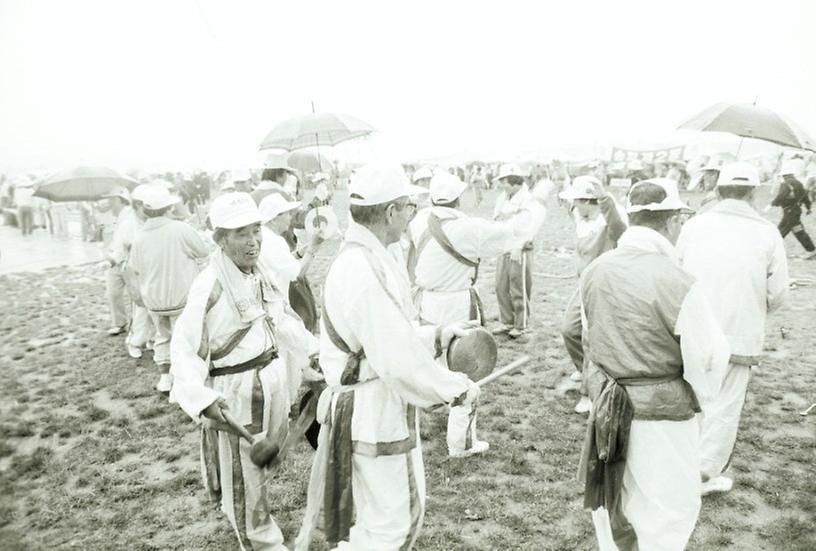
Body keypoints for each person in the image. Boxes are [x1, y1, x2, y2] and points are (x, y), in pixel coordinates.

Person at [295, 163, 480, 551]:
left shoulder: (370, 255)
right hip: (373, 410)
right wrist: (451, 388)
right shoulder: (363, 267)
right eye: (409, 206)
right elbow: (395, 359)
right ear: (390, 212)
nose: (413, 213)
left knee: (377, 522)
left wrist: (437, 335)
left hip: (365, 403)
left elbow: (386, 336)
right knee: (393, 526)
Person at [579, 178, 729, 551]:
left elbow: (587, 337)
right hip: (662, 417)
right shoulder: (679, 281)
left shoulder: (594, 271)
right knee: (667, 511)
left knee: (617, 504)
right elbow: (709, 358)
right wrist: (701, 404)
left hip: (608, 409)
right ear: (672, 220)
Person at [171, 192, 320, 551]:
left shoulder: (259, 273)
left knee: (264, 465)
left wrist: (313, 353)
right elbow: (184, 347)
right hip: (236, 388)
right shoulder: (209, 285)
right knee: (245, 475)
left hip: (272, 377)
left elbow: (281, 320)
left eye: (256, 231)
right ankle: (262, 542)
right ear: (220, 239)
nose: (253, 241)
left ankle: (259, 522)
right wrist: (201, 398)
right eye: (241, 233)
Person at [677, 162, 789, 495]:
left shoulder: (694, 226)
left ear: (719, 189)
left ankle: (681, 465)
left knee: (689, 396)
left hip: (694, 330)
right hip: (739, 332)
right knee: (724, 405)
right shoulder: (768, 232)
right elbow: (778, 293)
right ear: (753, 192)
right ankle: (702, 474)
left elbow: (675, 272)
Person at [408, 172, 525, 457]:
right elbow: (510, 236)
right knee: (464, 368)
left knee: (430, 357)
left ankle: (430, 405)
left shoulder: (418, 220)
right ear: (459, 199)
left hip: (424, 301)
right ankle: (461, 442)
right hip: (457, 302)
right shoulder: (470, 228)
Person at [129, 183, 211, 393]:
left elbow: (134, 269)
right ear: (169, 208)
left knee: (163, 337)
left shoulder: (139, 237)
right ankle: (192, 379)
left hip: (154, 300)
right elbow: (202, 251)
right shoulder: (180, 228)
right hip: (182, 296)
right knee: (191, 337)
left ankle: (166, 378)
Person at [558, 175, 627, 414]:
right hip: (583, 285)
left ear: (587, 201)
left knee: (591, 339)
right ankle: (584, 369)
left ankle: (588, 394)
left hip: (604, 287)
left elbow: (621, 230)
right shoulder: (581, 216)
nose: (573, 206)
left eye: (576, 201)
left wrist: (605, 199)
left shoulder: (610, 217)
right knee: (569, 329)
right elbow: (570, 208)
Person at [491, 163, 544, 338]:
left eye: (504, 181)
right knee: (501, 286)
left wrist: (519, 245)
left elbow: (531, 227)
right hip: (503, 247)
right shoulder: (503, 198)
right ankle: (506, 321)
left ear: (514, 181)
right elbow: (497, 219)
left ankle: (521, 324)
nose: (501, 185)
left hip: (518, 250)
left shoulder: (529, 200)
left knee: (518, 287)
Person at [258, 193, 325, 299]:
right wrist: (313, 248)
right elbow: (298, 274)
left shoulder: (264, 236)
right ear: (274, 219)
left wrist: (300, 253)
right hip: (276, 304)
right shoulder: (274, 242)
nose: (290, 218)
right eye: (288, 214)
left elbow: (279, 261)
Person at [123, 185, 155, 358]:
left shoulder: (151, 221)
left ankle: (152, 339)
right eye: (144, 206)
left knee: (155, 306)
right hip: (136, 271)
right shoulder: (128, 225)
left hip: (152, 270)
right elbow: (122, 251)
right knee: (140, 308)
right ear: (136, 206)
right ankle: (135, 342)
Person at [102, 187, 139, 337]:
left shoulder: (131, 216)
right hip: (114, 261)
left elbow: (131, 242)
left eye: (111, 199)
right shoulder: (113, 217)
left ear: (119, 200)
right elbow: (113, 240)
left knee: (135, 295)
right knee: (113, 293)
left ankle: (137, 326)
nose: (108, 202)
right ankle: (119, 322)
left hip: (128, 261)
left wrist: (116, 256)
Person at [771, 162, 815, 258]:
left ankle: (811, 250)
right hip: (794, 211)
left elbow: (781, 196)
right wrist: (808, 208)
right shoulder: (798, 183)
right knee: (781, 231)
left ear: (784, 175)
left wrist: (774, 203)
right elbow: (805, 198)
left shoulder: (786, 183)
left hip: (789, 212)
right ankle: (772, 250)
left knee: (797, 231)